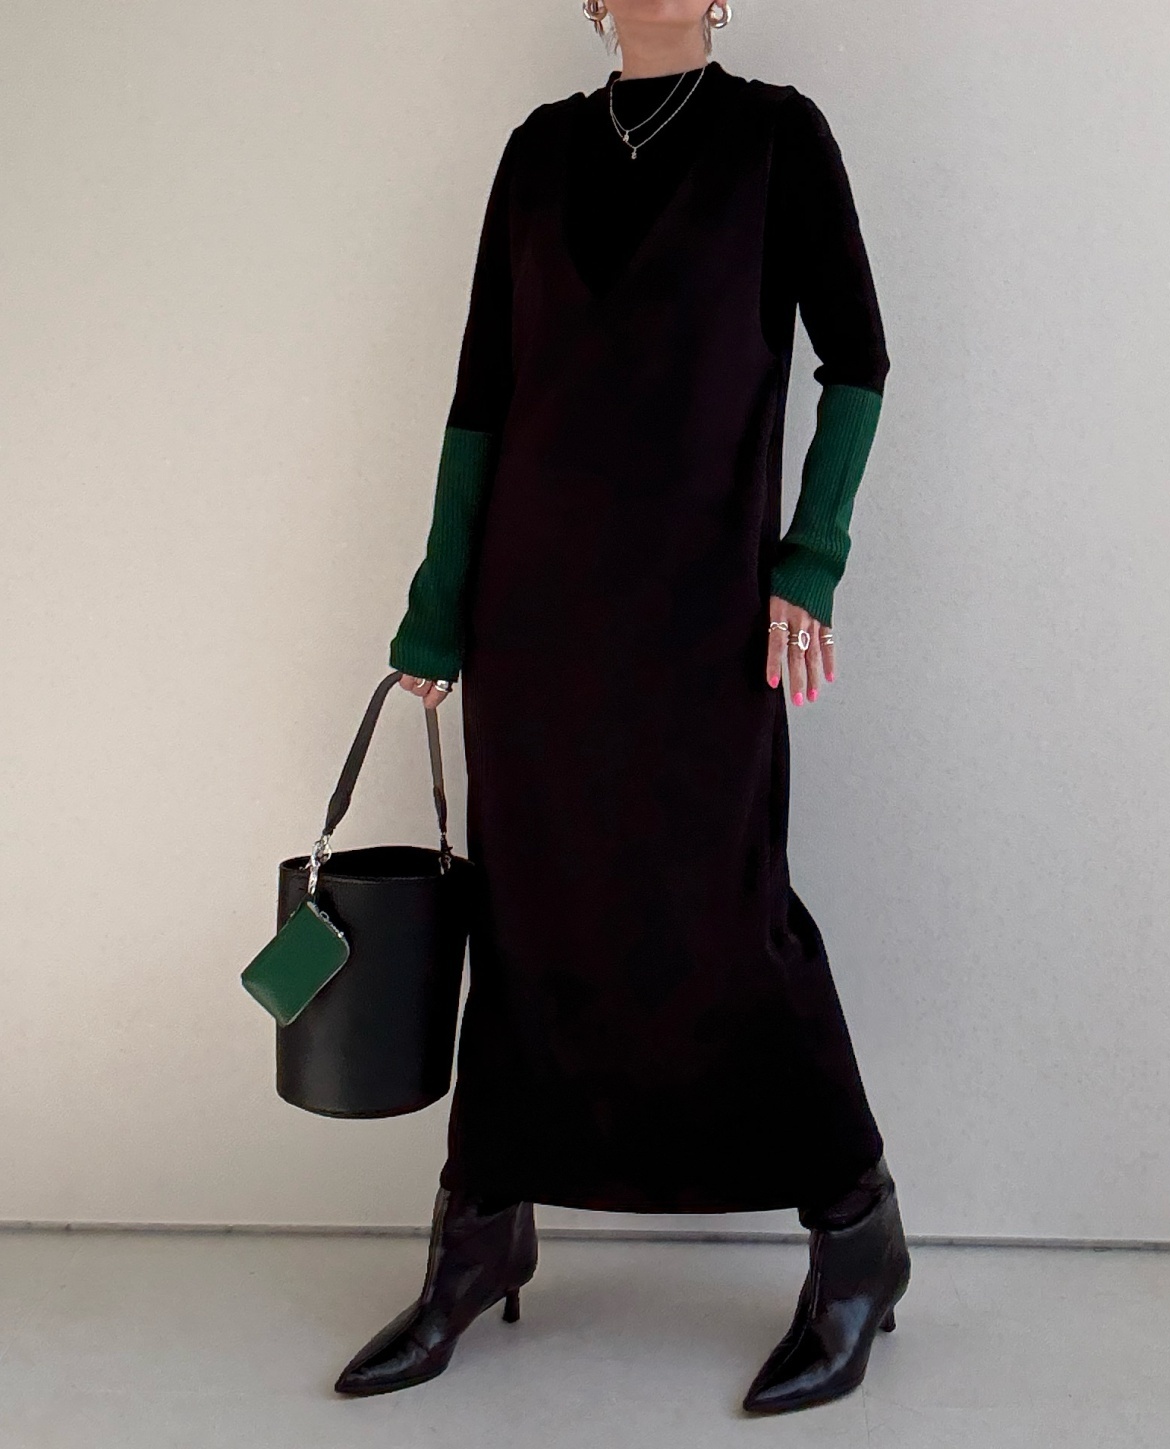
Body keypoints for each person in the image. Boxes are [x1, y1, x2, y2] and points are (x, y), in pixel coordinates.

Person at [333, 0, 908, 1416]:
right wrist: (436, 605)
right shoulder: (536, 154)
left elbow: (859, 362)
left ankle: (857, 1231)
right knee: (528, 916)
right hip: (533, 621)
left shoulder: (778, 140)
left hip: (704, 615)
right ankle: (480, 1230)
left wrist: (811, 562)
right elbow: (481, 397)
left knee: (732, 915)